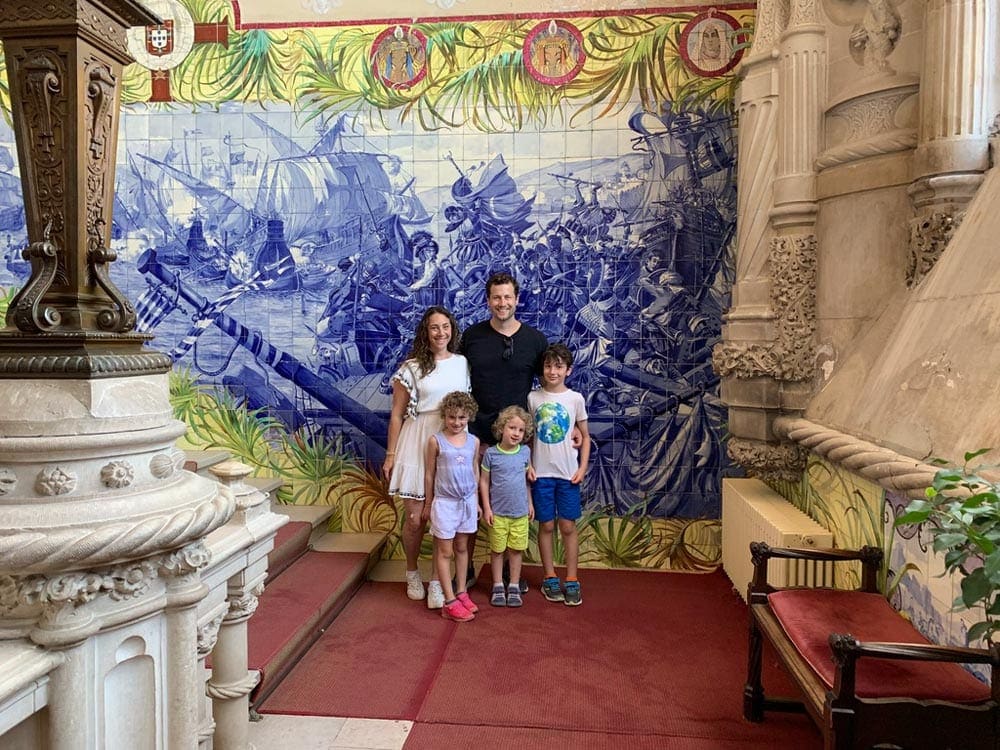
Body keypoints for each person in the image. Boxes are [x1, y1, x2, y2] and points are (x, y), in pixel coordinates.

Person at [460, 271, 548, 588]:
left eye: (507, 297)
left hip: (516, 443)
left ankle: (512, 573)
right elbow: (452, 374)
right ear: (488, 301)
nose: (502, 303)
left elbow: (549, 387)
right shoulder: (471, 337)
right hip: (477, 437)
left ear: (517, 299)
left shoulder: (535, 341)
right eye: (496, 297)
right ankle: (465, 567)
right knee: (471, 504)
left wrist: (572, 428)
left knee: (515, 506)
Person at [383, 306, 470, 610]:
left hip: (450, 442)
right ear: (425, 332)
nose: (441, 333)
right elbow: (396, 415)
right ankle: (411, 572)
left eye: (445, 326)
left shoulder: (461, 363)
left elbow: (464, 407)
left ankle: (437, 581)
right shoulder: (410, 367)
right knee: (415, 517)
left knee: (443, 518)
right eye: (434, 327)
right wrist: (391, 453)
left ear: (452, 330)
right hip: (417, 438)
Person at [528, 343, 591, 606]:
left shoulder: (575, 399)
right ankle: (550, 576)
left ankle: (572, 578)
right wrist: (528, 465)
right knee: (546, 525)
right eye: (548, 366)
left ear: (568, 370)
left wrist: (582, 467)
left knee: (567, 526)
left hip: (567, 475)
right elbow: (528, 436)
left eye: (558, 366)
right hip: (540, 474)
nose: (552, 371)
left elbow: (585, 436)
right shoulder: (532, 398)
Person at [424, 391, 481, 622]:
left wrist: (476, 501)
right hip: (445, 504)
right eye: (452, 417)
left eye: (462, 418)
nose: (457, 423)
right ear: (444, 416)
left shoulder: (474, 442)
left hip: (467, 503)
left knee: (462, 548)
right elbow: (429, 474)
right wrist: (428, 503)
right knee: (445, 551)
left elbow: (475, 471)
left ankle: (461, 591)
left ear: (468, 417)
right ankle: (449, 601)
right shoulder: (435, 441)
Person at [479, 406, 534, 607]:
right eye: (512, 428)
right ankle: (497, 585)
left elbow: (526, 481)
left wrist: (530, 503)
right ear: (502, 428)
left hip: (519, 513)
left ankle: (513, 584)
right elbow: (484, 482)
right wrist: (487, 508)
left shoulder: (525, 452)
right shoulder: (492, 454)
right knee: (497, 551)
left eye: (520, 430)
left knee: (516, 550)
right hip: (498, 514)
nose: (516, 433)